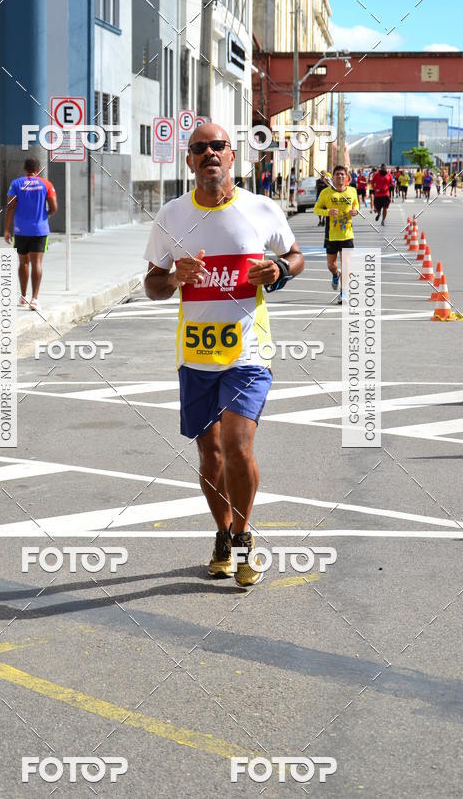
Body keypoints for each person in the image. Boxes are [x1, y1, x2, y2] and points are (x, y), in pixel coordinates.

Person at [143, 123, 304, 588]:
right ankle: (222, 532)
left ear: (233, 157)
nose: (210, 153)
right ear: (189, 161)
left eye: (218, 146)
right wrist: (175, 277)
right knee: (210, 456)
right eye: (200, 148)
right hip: (195, 356)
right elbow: (152, 285)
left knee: (237, 447)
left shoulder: (261, 208)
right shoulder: (171, 217)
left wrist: (277, 271)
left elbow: (295, 256)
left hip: (248, 351)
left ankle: (243, 533)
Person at [4, 157, 58, 310]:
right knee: (37, 263)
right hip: (39, 230)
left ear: (24, 168)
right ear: (38, 169)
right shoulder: (46, 184)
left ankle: (23, 296)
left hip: (21, 230)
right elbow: (54, 207)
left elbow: (10, 207)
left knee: (23, 262)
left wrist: (7, 229)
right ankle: (34, 299)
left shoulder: (16, 184)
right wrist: (43, 215)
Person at [314, 165, 358, 305]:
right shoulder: (326, 193)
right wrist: (328, 212)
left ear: (346, 177)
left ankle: (343, 293)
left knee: (346, 266)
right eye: (337, 174)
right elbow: (316, 209)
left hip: (347, 234)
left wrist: (355, 211)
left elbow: (356, 205)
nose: (340, 176)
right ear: (333, 177)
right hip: (332, 235)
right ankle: (335, 274)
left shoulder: (352, 191)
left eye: (342, 174)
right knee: (331, 265)